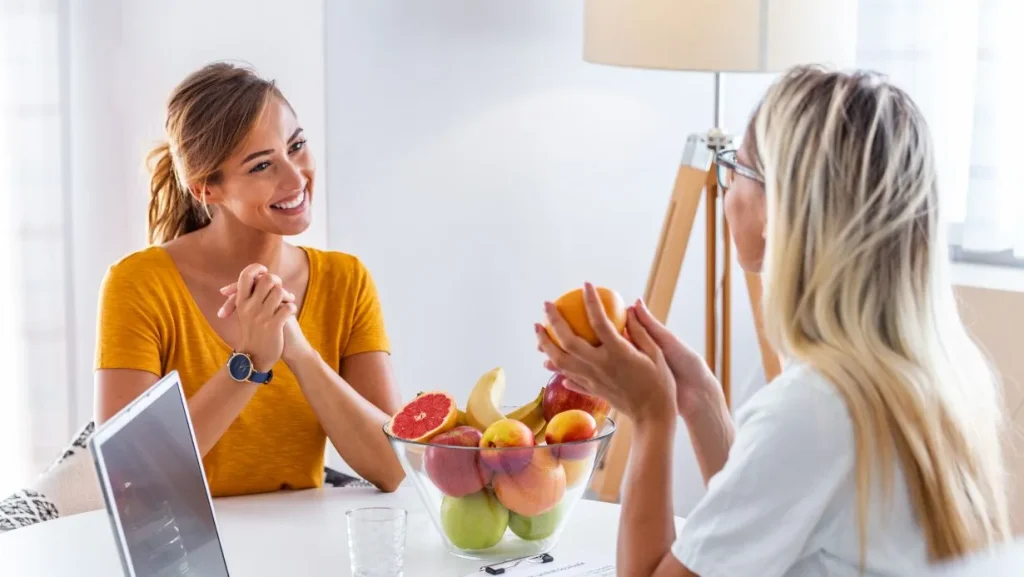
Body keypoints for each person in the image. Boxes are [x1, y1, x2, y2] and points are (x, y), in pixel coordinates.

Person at [536, 66, 1012, 576]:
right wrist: (701, 403)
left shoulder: (816, 407)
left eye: (734, 168)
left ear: (779, 204)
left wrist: (651, 418)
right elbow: (762, 522)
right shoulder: (935, 372)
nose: (726, 189)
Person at [93, 62, 405, 497]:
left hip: (306, 546)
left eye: (296, 146)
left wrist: (299, 353)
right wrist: (250, 362)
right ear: (206, 189)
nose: (296, 178)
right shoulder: (139, 284)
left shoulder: (345, 281)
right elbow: (128, 480)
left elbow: (394, 468)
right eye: (261, 166)